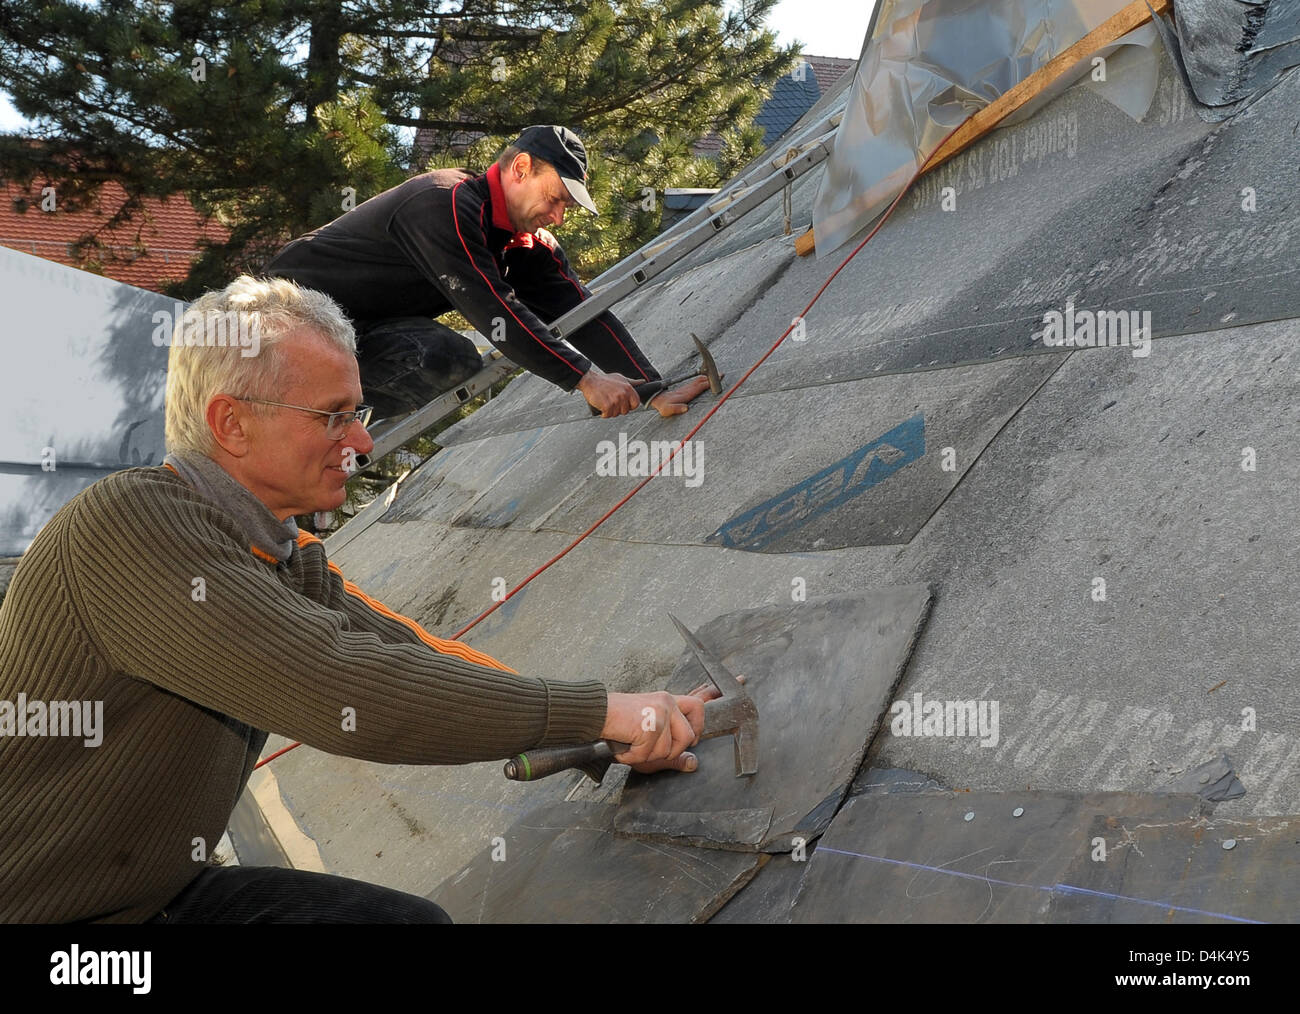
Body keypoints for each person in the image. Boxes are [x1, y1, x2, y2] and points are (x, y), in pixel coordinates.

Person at [0, 276, 713, 924]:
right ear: (231, 424)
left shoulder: (278, 550)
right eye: (333, 416)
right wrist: (598, 711)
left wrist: (606, 726)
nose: (363, 441)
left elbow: (404, 654)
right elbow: (343, 687)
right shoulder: (129, 525)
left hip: (149, 896)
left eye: (359, 411)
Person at [264, 124, 711, 421]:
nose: (558, 217)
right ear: (520, 168)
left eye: (567, 207)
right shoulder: (444, 204)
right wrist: (586, 379)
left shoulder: (525, 243)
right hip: (283, 318)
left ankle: (321, 416)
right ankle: (296, 411)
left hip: (356, 330)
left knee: (447, 361)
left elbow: (581, 313)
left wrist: (651, 389)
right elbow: (493, 307)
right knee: (442, 356)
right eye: (555, 198)